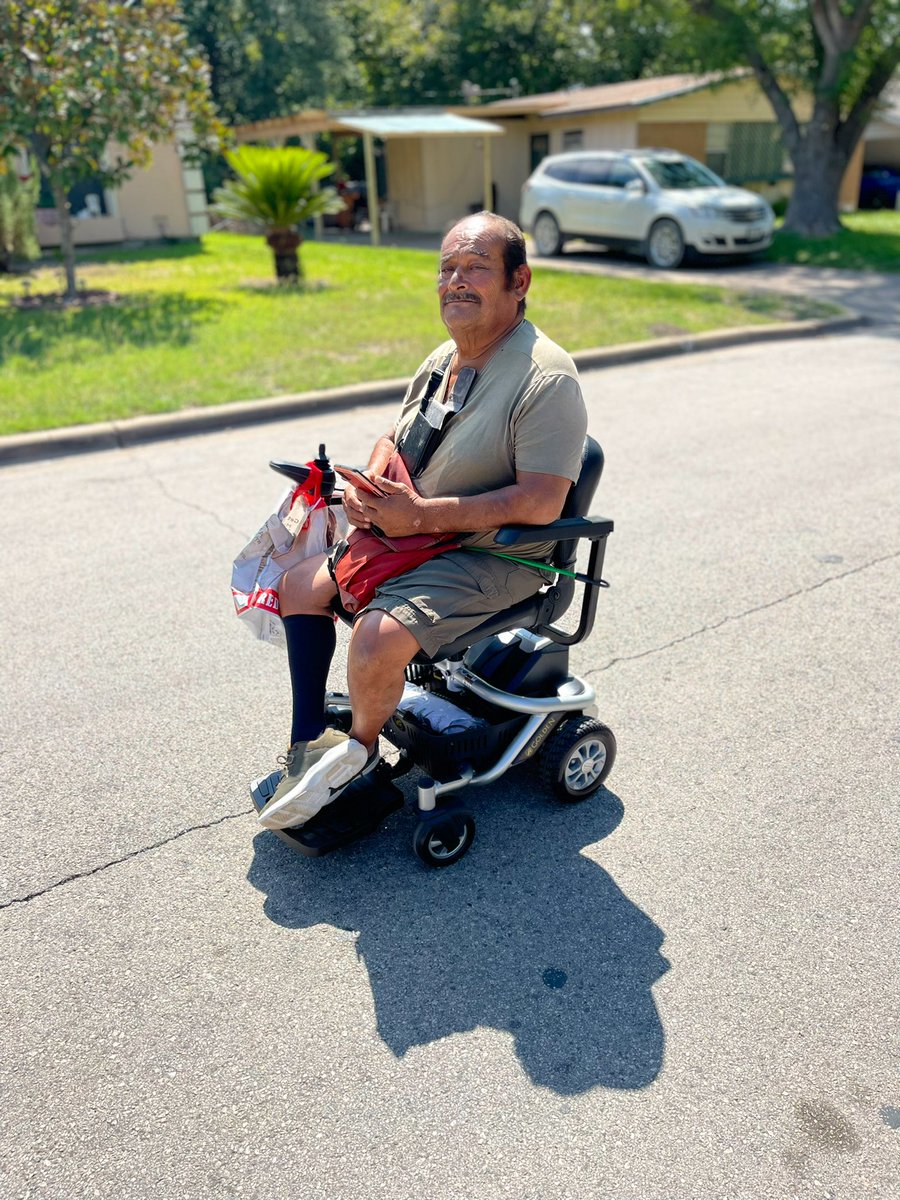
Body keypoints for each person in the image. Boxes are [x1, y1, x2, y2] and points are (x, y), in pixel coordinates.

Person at [255, 211, 588, 831]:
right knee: (298, 585)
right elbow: (395, 436)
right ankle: (309, 749)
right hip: (412, 536)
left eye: (476, 268)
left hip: (492, 554)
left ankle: (357, 761)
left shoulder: (547, 379)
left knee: (375, 638)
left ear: (519, 282)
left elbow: (542, 503)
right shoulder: (444, 358)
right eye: (447, 268)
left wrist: (421, 517)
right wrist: (369, 484)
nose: (455, 281)